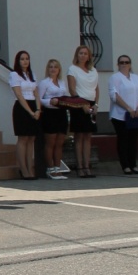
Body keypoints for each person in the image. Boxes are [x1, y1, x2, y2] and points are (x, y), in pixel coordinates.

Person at [109, 54, 138, 175]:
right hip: (120, 115)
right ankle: (125, 165)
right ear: (118, 65)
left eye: (126, 62)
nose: (124, 64)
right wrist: (128, 108)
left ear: (130, 64)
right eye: (121, 62)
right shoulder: (115, 77)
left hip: (135, 114)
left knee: (133, 140)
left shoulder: (137, 78)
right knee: (123, 139)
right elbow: (114, 95)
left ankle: (133, 164)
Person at [67, 45, 100, 178]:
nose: (83, 55)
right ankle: (79, 167)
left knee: (88, 136)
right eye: (80, 53)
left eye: (85, 53)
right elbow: (72, 89)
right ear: (77, 55)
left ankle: (87, 166)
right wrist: (82, 104)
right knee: (79, 136)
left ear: (89, 56)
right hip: (78, 104)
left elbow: (97, 89)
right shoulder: (72, 69)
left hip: (91, 104)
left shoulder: (93, 71)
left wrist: (96, 104)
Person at [9, 50, 41, 180]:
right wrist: (30, 111)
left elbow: (37, 93)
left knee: (31, 139)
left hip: (34, 106)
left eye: (27, 58)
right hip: (22, 108)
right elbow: (19, 94)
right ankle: (23, 169)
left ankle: (30, 168)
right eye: (22, 59)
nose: (25, 61)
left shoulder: (32, 74)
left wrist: (38, 109)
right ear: (18, 61)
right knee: (23, 138)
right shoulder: (14, 74)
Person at [38, 58, 71, 180]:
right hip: (50, 113)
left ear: (59, 69)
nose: (53, 69)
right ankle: (50, 168)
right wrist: (50, 101)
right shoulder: (44, 83)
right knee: (50, 142)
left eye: (55, 67)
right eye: (51, 67)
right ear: (48, 69)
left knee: (59, 142)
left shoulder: (62, 82)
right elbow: (39, 99)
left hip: (61, 113)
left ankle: (58, 167)